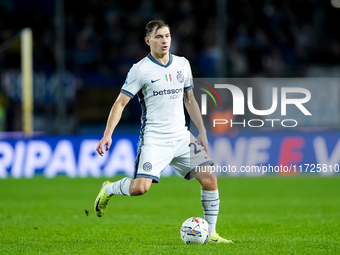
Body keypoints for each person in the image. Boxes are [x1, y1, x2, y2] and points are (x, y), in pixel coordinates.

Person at [94, 20, 232, 244]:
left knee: (210, 180)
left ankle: (212, 233)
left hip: (181, 136)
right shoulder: (140, 70)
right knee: (140, 188)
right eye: (159, 37)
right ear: (148, 41)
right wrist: (107, 134)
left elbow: (190, 100)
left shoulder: (182, 64)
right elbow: (120, 103)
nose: (165, 40)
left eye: (167, 36)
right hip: (154, 139)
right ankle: (109, 189)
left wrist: (202, 131)